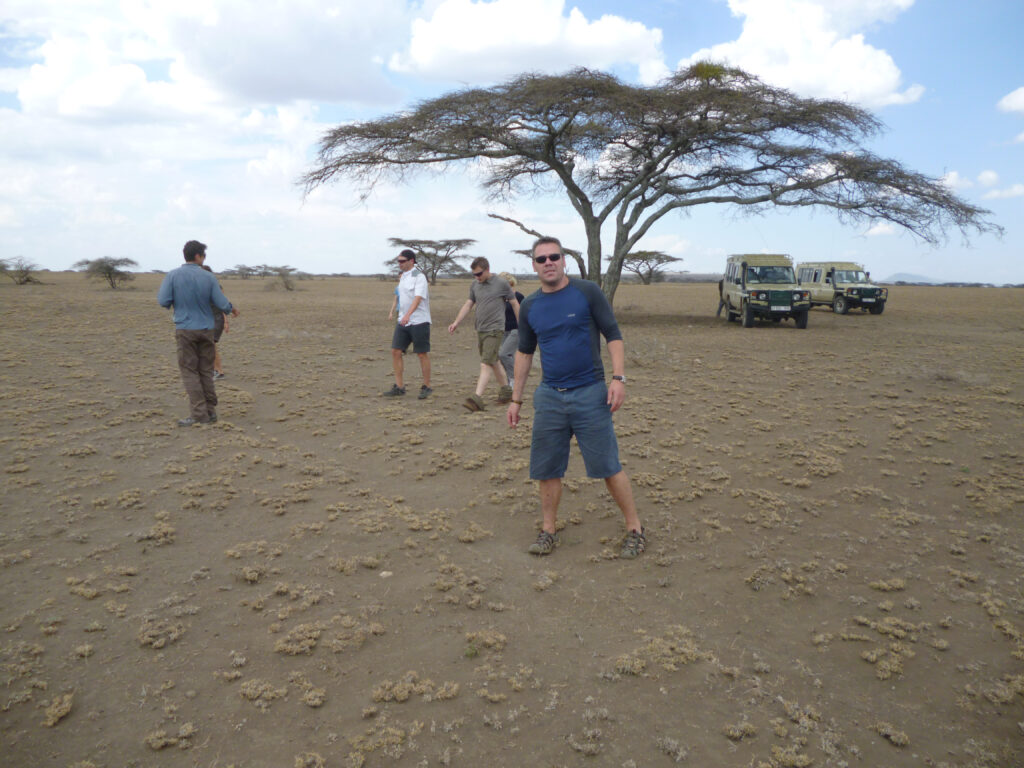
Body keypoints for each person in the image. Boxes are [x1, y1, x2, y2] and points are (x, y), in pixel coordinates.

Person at [507, 236, 645, 559]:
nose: (548, 263)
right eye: (541, 259)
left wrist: (618, 378)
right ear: (533, 265)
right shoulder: (530, 306)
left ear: (564, 259)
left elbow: (613, 335)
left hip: (590, 393)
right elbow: (525, 353)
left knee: (608, 465)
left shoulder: (587, 292)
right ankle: (548, 531)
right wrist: (515, 399)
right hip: (550, 397)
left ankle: (635, 528)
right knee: (547, 469)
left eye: (554, 256)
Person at [157, 240, 239, 426]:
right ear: (198, 256)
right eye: (203, 255)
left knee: (190, 372)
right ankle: (210, 412)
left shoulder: (172, 276)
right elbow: (221, 302)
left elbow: (163, 301)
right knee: (205, 371)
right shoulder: (208, 277)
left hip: (185, 330)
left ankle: (199, 415)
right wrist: (231, 309)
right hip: (206, 330)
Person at [447, 257, 519, 411]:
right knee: (493, 361)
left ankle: (476, 398)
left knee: (485, 363)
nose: (477, 277)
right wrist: (456, 322)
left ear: (487, 270)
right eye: (474, 274)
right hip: (481, 329)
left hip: (495, 329)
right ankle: (507, 391)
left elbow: (514, 303)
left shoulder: (501, 283)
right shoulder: (475, 285)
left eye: (479, 274)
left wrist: (522, 325)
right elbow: (469, 304)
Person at [384, 249, 432, 399]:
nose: (399, 264)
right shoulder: (403, 277)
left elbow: (418, 298)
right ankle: (399, 386)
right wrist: (402, 316)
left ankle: (427, 386)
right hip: (403, 321)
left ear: (411, 261)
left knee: (421, 353)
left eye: (402, 261)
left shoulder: (419, 277)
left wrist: (408, 315)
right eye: (398, 261)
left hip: (419, 321)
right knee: (396, 351)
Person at [497, 272, 526, 392]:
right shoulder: (500, 298)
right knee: (504, 356)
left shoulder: (518, 296)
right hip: (504, 330)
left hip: (517, 330)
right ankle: (510, 381)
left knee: (504, 354)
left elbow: (524, 313)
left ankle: (514, 379)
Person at [201, 264, 229, 379]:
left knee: (211, 345)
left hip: (217, 319)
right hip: (207, 319)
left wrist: (226, 322)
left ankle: (219, 371)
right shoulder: (202, 287)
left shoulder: (217, 287)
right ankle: (213, 370)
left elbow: (223, 305)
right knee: (208, 346)